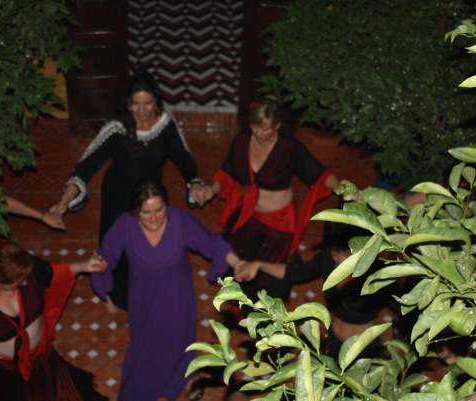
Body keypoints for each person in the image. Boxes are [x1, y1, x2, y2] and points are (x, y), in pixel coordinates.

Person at [50, 68, 206, 311]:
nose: (141, 110)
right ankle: (114, 294)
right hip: (118, 198)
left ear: (156, 102)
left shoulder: (165, 123)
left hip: (150, 197)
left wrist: (194, 182)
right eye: (136, 104)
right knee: (117, 248)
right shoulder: (117, 128)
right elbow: (85, 166)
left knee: (150, 246)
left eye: (148, 103)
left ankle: (148, 289)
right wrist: (61, 205)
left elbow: (182, 155)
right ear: (128, 103)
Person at [91, 179, 244, 401]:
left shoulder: (180, 221)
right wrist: (101, 265)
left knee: (180, 343)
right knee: (145, 350)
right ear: (136, 211)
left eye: (159, 210)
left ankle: (188, 376)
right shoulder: (125, 225)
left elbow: (212, 244)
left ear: (166, 206)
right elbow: (107, 253)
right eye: (146, 212)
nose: (153, 217)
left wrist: (237, 263)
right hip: (144, 301)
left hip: (177, 300)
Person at [199, 95, 339, 303]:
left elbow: (320, 174)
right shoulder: (242, 141)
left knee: (269, 278)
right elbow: (227, 173)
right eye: (255, 127)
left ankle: (266, 313)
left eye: (265, 129)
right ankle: (240, 307)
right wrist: (211, 190)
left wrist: (348, 191)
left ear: (277, 126)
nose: (258, 133)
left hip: (279, 221)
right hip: (250, 215)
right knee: (237, 262)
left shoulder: (288, 147)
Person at [0, 241, 109, 401]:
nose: (26, 282)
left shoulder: (25, 267)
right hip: (4, 371)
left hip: (42, 357)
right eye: (18, 281)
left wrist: (84, 266)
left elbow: (51, 272)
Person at [234, 222, 398, 358]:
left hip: (360, 351)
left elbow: (402, 304)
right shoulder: (328, 259)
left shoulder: (377, 278)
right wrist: (258, 264)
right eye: (335, 252)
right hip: (332, 340)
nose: (338, 259)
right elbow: (294, 273)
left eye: (345, 254)